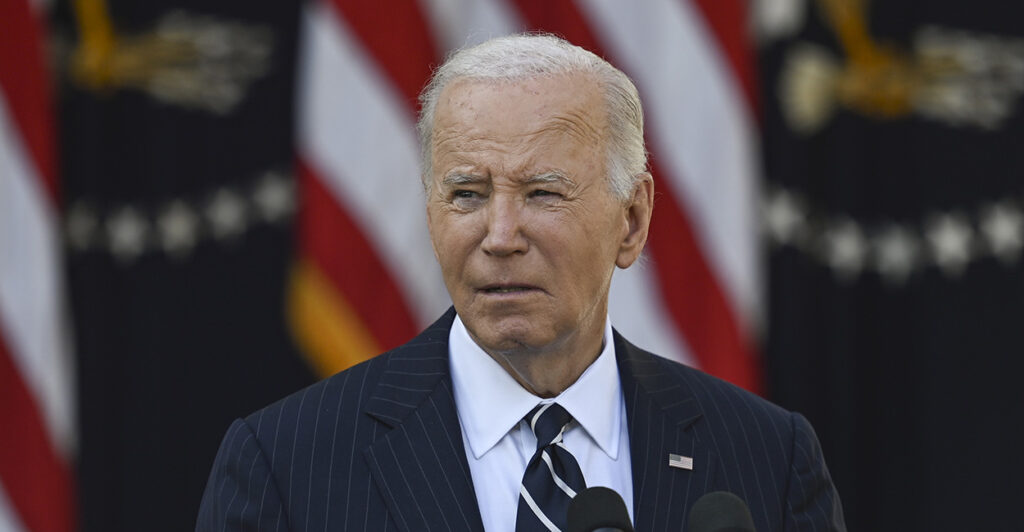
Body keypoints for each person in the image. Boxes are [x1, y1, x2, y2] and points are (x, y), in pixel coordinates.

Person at [196, 33, 845, 531]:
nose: (500, 235)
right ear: (430, 212)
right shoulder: (285, 464)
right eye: (467, 194)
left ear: (633, 219)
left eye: (542, 193)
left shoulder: (766, 458)